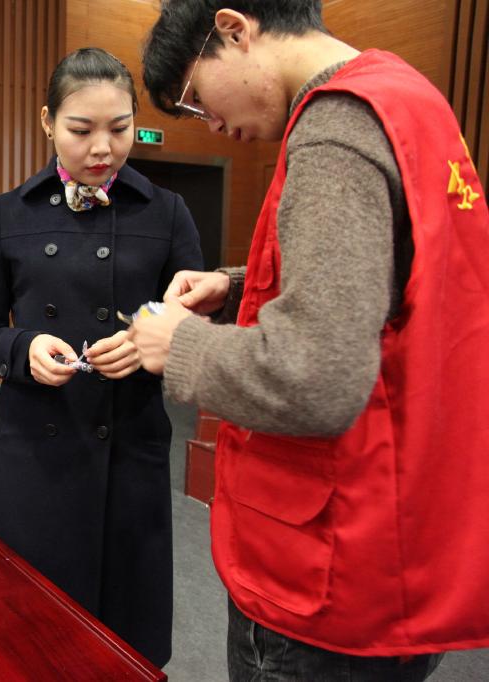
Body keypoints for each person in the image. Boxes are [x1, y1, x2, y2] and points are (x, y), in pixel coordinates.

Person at [135, 1, 489, 679]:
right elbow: (388, 289)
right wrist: (237, 287)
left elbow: (313, 375)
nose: (212, 124)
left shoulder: (333, 131)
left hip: (327, 573)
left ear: (234, 30)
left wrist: (179, 345)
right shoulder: (410, 99)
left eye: (196, 98)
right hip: (405, 540)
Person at [0, 47, 203, 666]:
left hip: (131, 446)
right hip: (37, 451)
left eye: (119, 129)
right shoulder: (8, 213)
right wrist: (24, 347)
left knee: (126, 639)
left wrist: (147, 339)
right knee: (34, 639)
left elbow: (193, 319)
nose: (103, 148)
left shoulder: (167, 212)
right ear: (47, 122)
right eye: (81, 129)